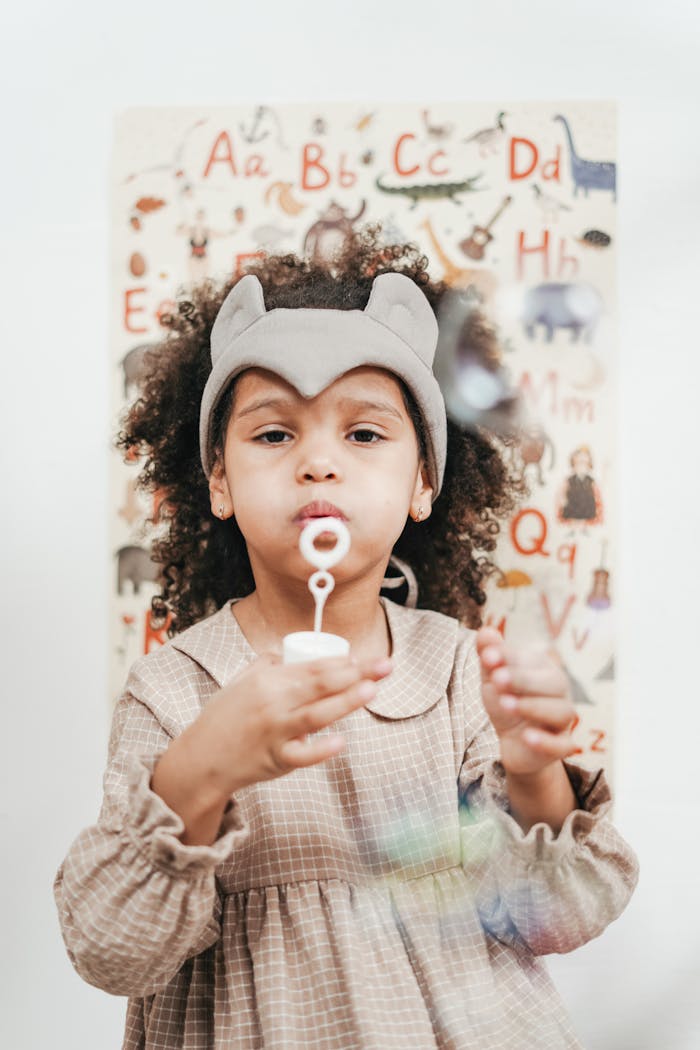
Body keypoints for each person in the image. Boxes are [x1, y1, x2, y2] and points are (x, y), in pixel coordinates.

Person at [54, 228, 639, 1049]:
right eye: (273, 434)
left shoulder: (451, 668)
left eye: (363, 434)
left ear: (424, 482)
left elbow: (550, 921)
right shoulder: (176, 687)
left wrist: (532, 769)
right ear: (218, 480)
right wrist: (202, 768)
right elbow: (111, 951)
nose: (319, 463)